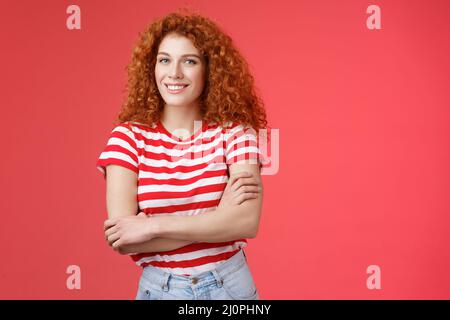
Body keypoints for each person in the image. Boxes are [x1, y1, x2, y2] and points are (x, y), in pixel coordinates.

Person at [96, 10, 268, 300]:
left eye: (189, 61)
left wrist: (151, 225)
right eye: (164, 60)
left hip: (229, 287)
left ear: (209, 69)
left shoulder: (236, 133)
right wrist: (219, 219)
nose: (174, 73)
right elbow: (124, 239)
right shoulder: (127, 138)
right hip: (159, 290)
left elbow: (246, 223)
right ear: (152, 67)